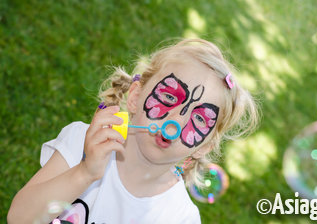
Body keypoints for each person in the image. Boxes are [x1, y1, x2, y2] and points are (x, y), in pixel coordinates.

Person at [7, 38, 260, 224]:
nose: (176, 120)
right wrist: (84, 173)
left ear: (203, 146)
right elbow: (18, 218)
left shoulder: (179, 217)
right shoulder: (82, 143)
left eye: (199, 119)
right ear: (136, 96)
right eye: (170, 96)